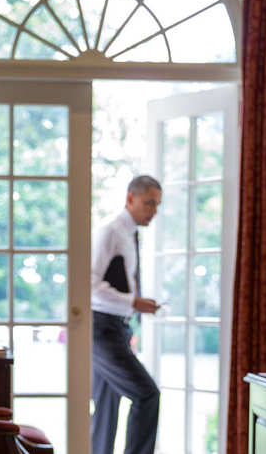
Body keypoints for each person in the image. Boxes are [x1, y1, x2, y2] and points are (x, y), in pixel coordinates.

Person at [91, 175, 162, 454]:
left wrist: (133, 305)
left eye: (157, 205)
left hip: (118, 329)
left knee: (106, 410)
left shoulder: (129, 234)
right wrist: (133, 302)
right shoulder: (110, 231)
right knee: (147, 395)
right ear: (130, 198)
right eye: (149, 203)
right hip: (102, 329)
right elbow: (88, 284)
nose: (153, 211)